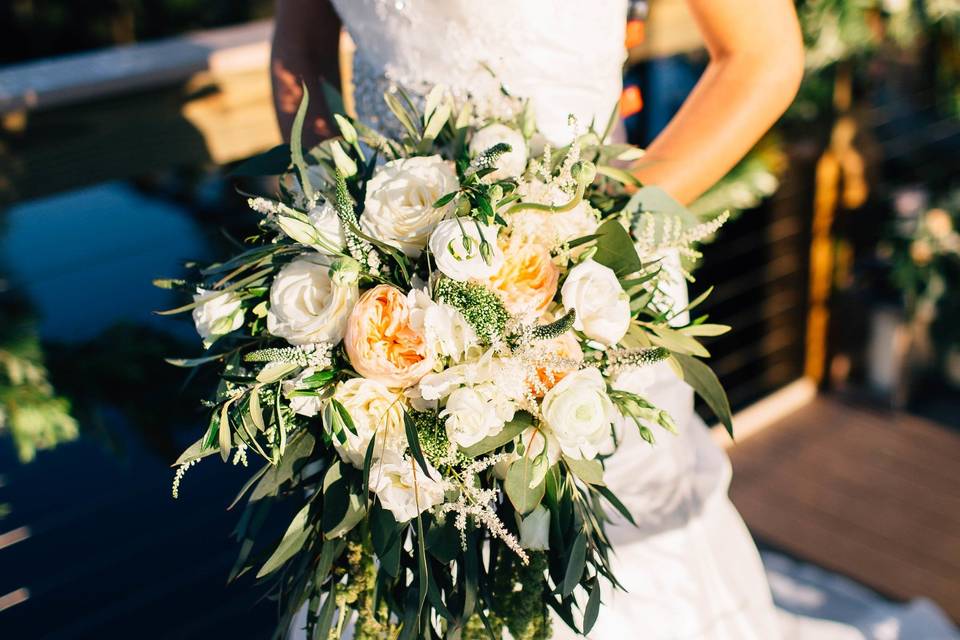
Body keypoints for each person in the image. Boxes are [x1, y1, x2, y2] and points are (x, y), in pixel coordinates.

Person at [272, 1, 809, 638]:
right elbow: (298, 55)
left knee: (609, 543)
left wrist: (602, 230)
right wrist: (350, 233)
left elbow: (762, 56)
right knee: (391, 555)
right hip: (388, 295)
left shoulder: (595, 259)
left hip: (588, 283)